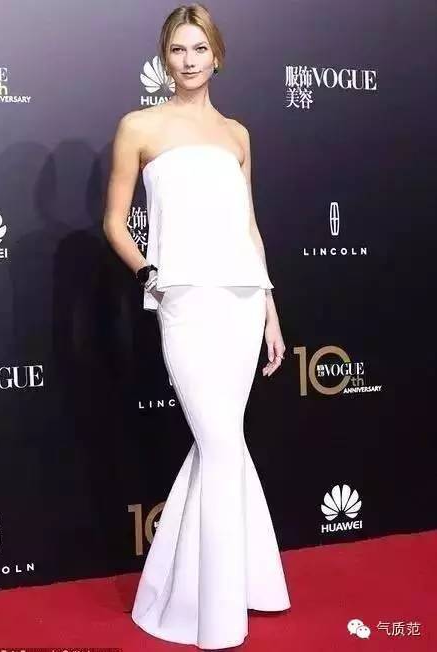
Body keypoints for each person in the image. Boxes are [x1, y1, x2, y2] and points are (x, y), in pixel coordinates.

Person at [103, 3, 291, 649]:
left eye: (199, 48)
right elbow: (115, 221)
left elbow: (248, 226)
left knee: (224, 442)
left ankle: (241, 585)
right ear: (165, 57)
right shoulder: (139, 126)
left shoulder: (238, 135)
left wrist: (269, 308)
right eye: (177, 50)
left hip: (241, 297)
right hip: (184, 299)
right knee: (217, 440)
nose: (188, 60)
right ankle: (215, 608)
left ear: (217, 55)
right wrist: (151, 275)